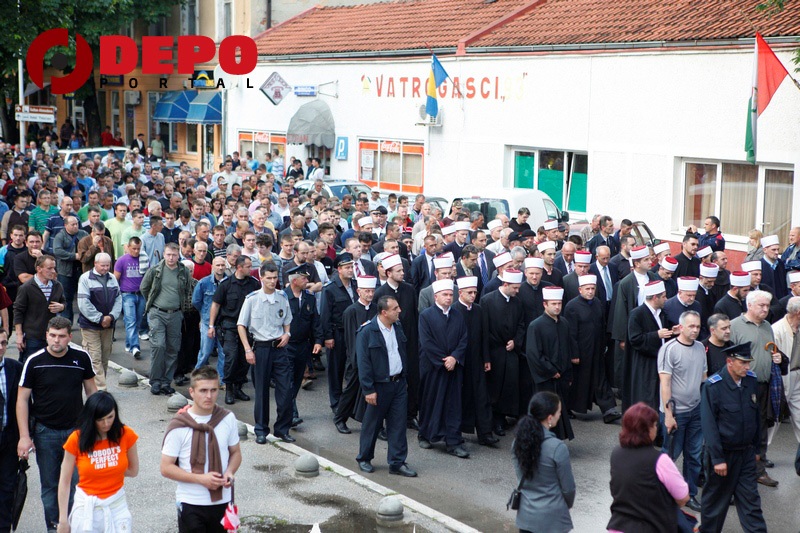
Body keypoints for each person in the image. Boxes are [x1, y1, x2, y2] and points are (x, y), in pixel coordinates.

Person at [17, 317, 97, 532]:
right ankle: (55, 527)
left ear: (70, 337)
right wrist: (24, 436)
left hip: (76, 433)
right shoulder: (34, 361)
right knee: (51, 486)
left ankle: (75, 525)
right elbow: (22, 399)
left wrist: (95, 428)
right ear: (46, 336)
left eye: (62, 336)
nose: (56, 340)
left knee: (78, 485)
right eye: (52, 335)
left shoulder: (81, 358)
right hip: (45, 432)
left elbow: (92, 394)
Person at [161, 367, 241, 533]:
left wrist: (230, 472)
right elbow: (166, 468)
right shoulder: (179, 425)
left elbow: (236, 453)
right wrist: (201, 479)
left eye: (213, 390)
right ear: (192, 392)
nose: (209, 396)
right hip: (191, 502)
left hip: (223, 502)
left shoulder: (228, 418)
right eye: (203, 391)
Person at [700, 343, 767, 533]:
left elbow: (756, 418)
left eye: (748, 363)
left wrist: (756, 449)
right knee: (715, 506)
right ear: (729, 362)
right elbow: (709, 426)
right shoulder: (713, 386)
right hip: (723, 456)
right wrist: (718, 459)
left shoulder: (750, 381)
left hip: (745, 454)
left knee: (751, 503)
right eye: (742, 363)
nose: (747, 367)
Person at [56, 392, 139, 533]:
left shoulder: (126, 434)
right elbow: (64, 481)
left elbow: (133, 471)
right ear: (91, 417)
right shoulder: (76, 439)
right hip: (86, 507)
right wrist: (63, 520)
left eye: (110, 417)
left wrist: (108, 470)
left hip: (116, 505)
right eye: (100, 419)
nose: (106, 423)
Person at [355, 295, 417, 477]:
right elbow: (363, 362)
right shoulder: (367, 331)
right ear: (384, 312)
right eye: (395, 308)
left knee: (398, 424)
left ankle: (397, 462)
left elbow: (401, 352)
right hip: (378, 386)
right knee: (372, 424)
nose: (399, 311)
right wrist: (368, 389)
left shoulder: (397, 327)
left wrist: (404, 378)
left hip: (398, 383)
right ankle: (364, 458)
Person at [729, 289, 784, 487]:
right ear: (749, 305)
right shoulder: (735, 326)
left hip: (764, 385)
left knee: (761, 429)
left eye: (767, 306)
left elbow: (770, 349)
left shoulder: (768, 326)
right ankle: (738, 471)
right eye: (761, 305)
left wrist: (776, 357)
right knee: (742, 428)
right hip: (743, 385)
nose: (765, 309)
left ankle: (758, 471)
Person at [607, 402, 690, 533]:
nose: (656, 429)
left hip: (619, 526)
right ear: (646, 430)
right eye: (654, 425)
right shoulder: (659, 461)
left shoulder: (617, 454)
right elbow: (683, 497)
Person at [236, 262, 294, 444]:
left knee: (286, 391)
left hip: (279, 348)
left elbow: (287, 319)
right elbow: (241, 325)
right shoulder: (252, 299)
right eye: (268, 278)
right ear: (261, 278)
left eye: (275, 277)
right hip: (260, 348)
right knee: (261, 391)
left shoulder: (282, 296)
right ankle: (261, 429)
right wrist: (247, 349)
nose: (272, 281)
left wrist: (287, 333)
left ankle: (282, 429)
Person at [658, 310, 706, 513]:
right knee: (670, 455)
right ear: (681, 327)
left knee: (694, 456)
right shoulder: (669, 349)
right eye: (691, 326)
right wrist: (668, 415)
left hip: (696, 410)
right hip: (676, 412)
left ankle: (689, 494)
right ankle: (660, 494)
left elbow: (704, 378)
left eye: (697, 326)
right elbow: (665, 382)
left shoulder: (700, 348)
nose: (695, 330)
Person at [417, 279, 469, 457]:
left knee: (453, 404)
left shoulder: (458, 315)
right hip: (433, 368)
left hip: (454, 367)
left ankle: (453, 441)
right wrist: (443, 360)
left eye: (450, 295)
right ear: (436, 296)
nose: (448, 298)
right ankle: (425, 434)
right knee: (431, 400)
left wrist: (455, 357)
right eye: (445, 295)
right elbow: (426, 342)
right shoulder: (426, 315)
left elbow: (463, 338)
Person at [512, 392, 576, 533]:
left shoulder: (518, 442)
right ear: (549, 418)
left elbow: (520, 476)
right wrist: (565, 505)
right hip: (552, 520)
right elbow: (568, 489)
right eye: (559, 412)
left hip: (526, 518)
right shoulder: (557, 447)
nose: (560, 415)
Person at [562, 275, 620, 423]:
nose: (590, 292)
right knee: (579, 382)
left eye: (592, 288)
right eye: (587, 289)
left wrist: (603, 346)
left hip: (597, 351)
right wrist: (574, 354)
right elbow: (571, 334)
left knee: (600, 379)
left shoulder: (597, 303)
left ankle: (608, 410)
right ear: (580, 289)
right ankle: (567, 407)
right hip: (581, 353)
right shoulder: (571, 307)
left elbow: (602, 325)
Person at [374, 253, 421, 429]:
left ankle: (411, 414)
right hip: (389, 344)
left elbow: (415, 317)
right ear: (388, 273)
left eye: (403, 270)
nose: (403, 273)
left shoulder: (409, 289)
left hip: (409, 342)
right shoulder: (380, 293)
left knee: (413, 380)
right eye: (399, 270)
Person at [141, 243, 193, 397]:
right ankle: (155, 380)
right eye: (168, 254)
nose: (171, 258)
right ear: (164, 254)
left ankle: (166, 381)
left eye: (174, 255)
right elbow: (144, 288)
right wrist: (152, 305)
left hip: (176, 314)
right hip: (157, 312)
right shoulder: (156, 270)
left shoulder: (183, 271)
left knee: (173, 348)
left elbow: (187, 289)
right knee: (158, 346)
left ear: (179, 255)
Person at [525, 286, 575, 440]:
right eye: (553, 304)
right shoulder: (536, 325)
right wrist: (551, 370)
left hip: (561, 377)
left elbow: (567, 349)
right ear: (545, 304)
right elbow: (533, 354)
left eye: (559, 303)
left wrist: (568, 372)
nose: (557, 307)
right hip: (545, 378)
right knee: (544, 410)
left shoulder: (564, 323)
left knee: (557, 410)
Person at [209, 255, 260, 405]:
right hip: (230, 327)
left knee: (244, 360)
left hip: (248, 328)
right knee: (231, 357)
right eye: (248, 266)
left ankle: (238, 387)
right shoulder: (226, 284)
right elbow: (216, 305)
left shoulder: (254, 284)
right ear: (239, 267)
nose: (251, 269)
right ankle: (229, 388)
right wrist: (211, 326)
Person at [482, 268, 527, 436]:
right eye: (515, 288)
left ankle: (504, 416)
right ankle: (495, 420)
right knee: (495, 387)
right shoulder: (488, 301)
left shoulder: (517, 302)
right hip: (495, 352)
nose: (517, 291)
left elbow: (521, 325)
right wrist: (486, 356)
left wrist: (515, 341)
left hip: (511, 351)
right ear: (505, 284)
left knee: (510, 386)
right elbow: (484, 330)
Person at [283, 264, 323, 428]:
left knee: (298, 378)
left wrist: (318, 341)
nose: (307, 281)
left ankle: (287, 408)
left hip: (303, 345)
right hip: (286, 346)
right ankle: (291, 414)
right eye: (304, 278)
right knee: (289, 380)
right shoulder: (282, 297)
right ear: (294, 281)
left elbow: (315, 321)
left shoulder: (309, 298)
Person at [77, 253, 122, 391]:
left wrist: (111, 317)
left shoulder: (112, 278)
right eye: (102, 265)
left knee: (104, 358)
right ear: (95, 264)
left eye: (108, 265)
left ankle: (96, 386)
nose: (105, 268)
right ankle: (101, 390)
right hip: (90, 326)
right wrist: (100, 318)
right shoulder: (85, 278)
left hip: (108, 325)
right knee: (94, 358)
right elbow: (83, 303)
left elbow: (118, 299)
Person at [320, 253, 358, 412]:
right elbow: (325, 314)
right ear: (339, 270)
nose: (351, 270)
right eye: (347, 267)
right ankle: (336, 404)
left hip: (355, 333)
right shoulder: (330, 289)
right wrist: (328, 337)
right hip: (338, 333)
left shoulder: (356, 285)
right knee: (336, 370)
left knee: (354, 368)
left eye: (352, 267)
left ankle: (351, 402)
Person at [13, 254, 66, 363]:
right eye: (49, 268)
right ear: (39, 269)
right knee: (30, 366)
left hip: (51, 336)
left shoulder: (57, 285)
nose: (53, 271)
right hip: (33, 336)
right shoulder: (26, 288)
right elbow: (18, 311)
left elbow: (63, 302)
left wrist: (62, 307)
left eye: (54, 268)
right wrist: (19, 335)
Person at [0, 329, 22, 533]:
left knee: (7, 487)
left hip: (8, 437)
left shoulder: (14, 368)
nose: (0, 348)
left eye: (3, 343)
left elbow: (24, 404)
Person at [193, 256, 227, 382]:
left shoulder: (229, 282)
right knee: (205, 352)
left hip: (223, 323)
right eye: (217, 265)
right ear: (212, 266)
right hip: (208, 323)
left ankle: (221, 380)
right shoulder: (203, 283)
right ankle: (197, 376)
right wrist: (205, 315)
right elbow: (196, 301)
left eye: (222, 265)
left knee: (223, 353)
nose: (220, 267)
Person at [114, 237, 146, 359]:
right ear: (128, 247)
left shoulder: (144, 259)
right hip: (127, 294)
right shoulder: (122, 260)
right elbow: (116, 278)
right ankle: (135, 347)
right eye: (134, 248)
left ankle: (129, 343)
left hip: (141, 294)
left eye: (138, 248)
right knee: (130, 320)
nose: (136, 251)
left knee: (137, 321)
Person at [52, 216, 87, 324]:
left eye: (76, 224)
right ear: (65, 225)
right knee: (67, 297)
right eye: (73, 224)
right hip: (65, 271)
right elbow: (57, 251)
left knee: (84, 296)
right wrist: (73, 256)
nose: (75, 226)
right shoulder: (60, 236)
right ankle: (67, 322)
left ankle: (84, 320)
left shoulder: (83, 234)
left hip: (81, 269)